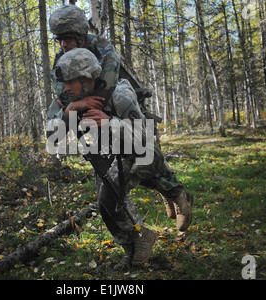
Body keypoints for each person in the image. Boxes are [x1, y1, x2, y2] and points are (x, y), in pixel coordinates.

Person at [47, 48, 194, 270]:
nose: (65, 87)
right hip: (106, 156)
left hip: (138, 151)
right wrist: (70, 111)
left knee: (123, 188)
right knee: (107, 203)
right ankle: (133, 246)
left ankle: (174, 198)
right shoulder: (71, 99)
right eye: (64, 82)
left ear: (87, 79)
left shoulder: (120, 95)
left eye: (71, 81)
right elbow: (51, 134)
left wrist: (110, 122)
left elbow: (145, 141)